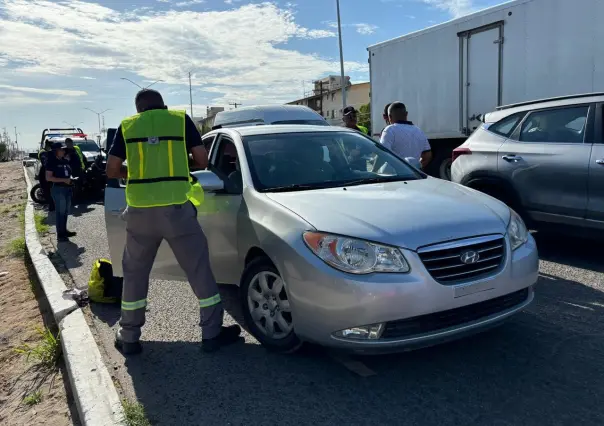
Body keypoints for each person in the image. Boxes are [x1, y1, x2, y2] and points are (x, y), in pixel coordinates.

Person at [106, 89, 241, 355]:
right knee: (199, 269)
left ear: (138, 110)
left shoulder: (128, 126)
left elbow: (111, 170)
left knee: (134, 274)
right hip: (177, 211)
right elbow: (202, 160)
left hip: (140, 212)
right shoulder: (180, 120)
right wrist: (178, 167)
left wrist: (136, 173)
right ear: (164, 106)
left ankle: (129, 337)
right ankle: (211, 333)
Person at [380, 102, 433, 169]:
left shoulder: (389, 130)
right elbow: (427, 156)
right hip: (413, 176)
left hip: (395, 175)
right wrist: (415, 169)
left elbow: (382, 154)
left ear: (389, 117)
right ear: (406, 114)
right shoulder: (419, 131)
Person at [45, 142, 76, 241]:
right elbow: (48, 178)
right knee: (60, 212)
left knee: (65, 211)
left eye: (63, 149)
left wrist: (71, 179)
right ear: (56, 151)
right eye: (61, 149)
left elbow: (67, 173)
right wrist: (64, 180)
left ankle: (64, 231)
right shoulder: (51, 162)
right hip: (59, 190)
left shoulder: (64, 161)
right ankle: (60, 235)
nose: (63, 151)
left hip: (67, 189)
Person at [38, 140, 55, 212]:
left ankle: (53, 206)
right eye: (51, 146)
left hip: (51, 173)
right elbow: (45, 163)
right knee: (46, 191)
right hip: (44, 173)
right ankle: (51, 207)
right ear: (47, 146)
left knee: (52, 191)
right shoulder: (43, 152)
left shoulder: (51, 152)